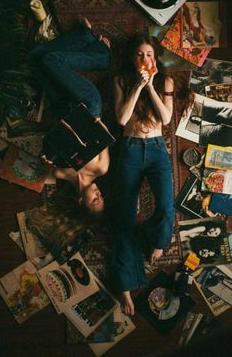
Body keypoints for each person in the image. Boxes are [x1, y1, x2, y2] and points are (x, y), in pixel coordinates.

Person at [112, 33, 192, 315]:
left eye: (148, 55)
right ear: (132, 59)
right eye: (139, 55)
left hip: (157, 147)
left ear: (155, 59)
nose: (144, 60)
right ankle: (125, 287)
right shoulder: (121, 81)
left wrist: (150, 88)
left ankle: (157, 240)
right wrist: (137, 86)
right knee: (123, 215)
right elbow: (122, 119)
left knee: (167, 207)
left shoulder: (165, 81)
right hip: (131, 147)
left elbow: (166, 118)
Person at [28, 18, 111, 214]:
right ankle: (101, 56)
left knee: (34, 59)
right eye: (102, 198)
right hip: (88, 105)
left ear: (82, 201)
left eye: (95, 201)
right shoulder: (101, 168)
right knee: (51, 60)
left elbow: (51, 141)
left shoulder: (59, 172)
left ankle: (87, 39)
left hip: (62, 108)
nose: (99, 195)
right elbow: (104, 130)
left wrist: (45, 158)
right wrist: (94, 125)